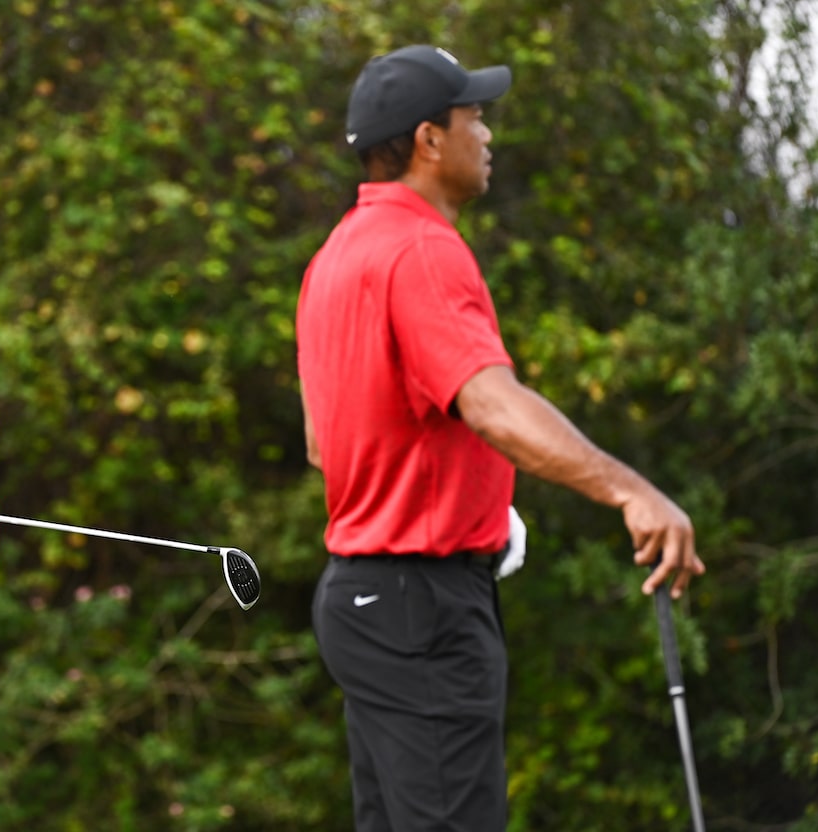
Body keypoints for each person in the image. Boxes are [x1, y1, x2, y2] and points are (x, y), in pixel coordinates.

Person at [295, 45, 705, 832]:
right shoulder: (422, 249)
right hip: (424, 606)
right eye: (474, 116)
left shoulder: (335, 256)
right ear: (428, 140)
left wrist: (461, 496)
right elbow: (490, 405)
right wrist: (632, 491)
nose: (488, 135)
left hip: (361, 600)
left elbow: (327, 444)